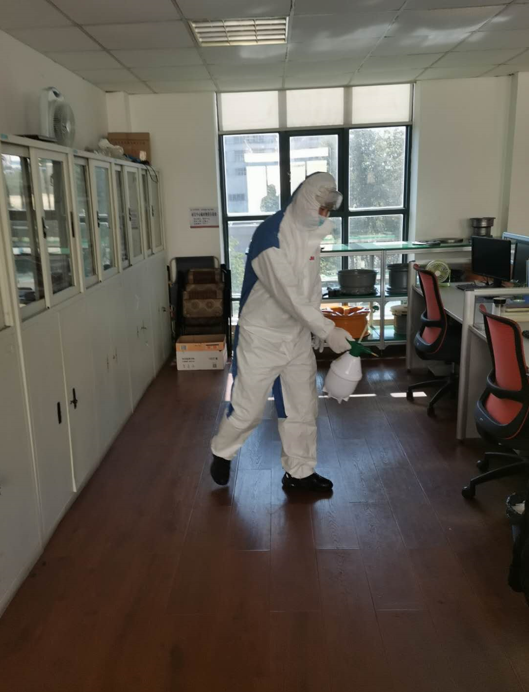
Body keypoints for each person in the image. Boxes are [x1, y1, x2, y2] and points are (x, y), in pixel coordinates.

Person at [210, 172, 351, 492]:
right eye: (321, 208)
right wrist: (327, 329)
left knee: (302, 407)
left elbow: (310, 287)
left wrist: (315, 329)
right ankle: (222, 450)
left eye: (329, 211)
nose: (324, 215)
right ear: (305, 199)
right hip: (261, 336)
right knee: (247, 410)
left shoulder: (310, 232)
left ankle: (299, 473)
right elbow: (289, 294)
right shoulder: (270, 235)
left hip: (297, 336)